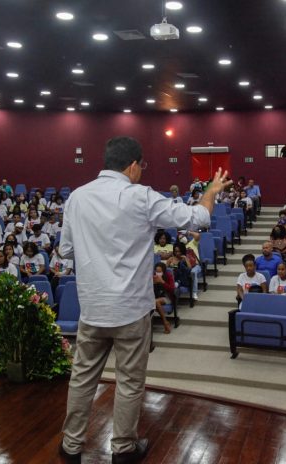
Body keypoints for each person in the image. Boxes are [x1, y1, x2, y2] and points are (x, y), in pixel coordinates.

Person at [58, 137, 229, 462]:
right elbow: (199, 218)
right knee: (130, 381)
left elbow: (65, 250)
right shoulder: (141, 197)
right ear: (133, 165)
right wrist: (211, 191)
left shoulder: (77, 198)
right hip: (131, 311)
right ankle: (122, 449)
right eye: (142, 166)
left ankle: (70, 446)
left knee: (82, 379)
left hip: (92, 308)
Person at [152, 262, 174, 334]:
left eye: (160, 272)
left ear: (163, 271)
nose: (158, 273)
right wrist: (154, 284)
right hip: (155, 297)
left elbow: (171, 288)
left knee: (156, 302)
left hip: (166, 297)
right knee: (154, 301)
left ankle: (165, 322)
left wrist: (162, 282)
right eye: (157, 271)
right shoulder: (153, 277)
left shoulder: (168, 275)